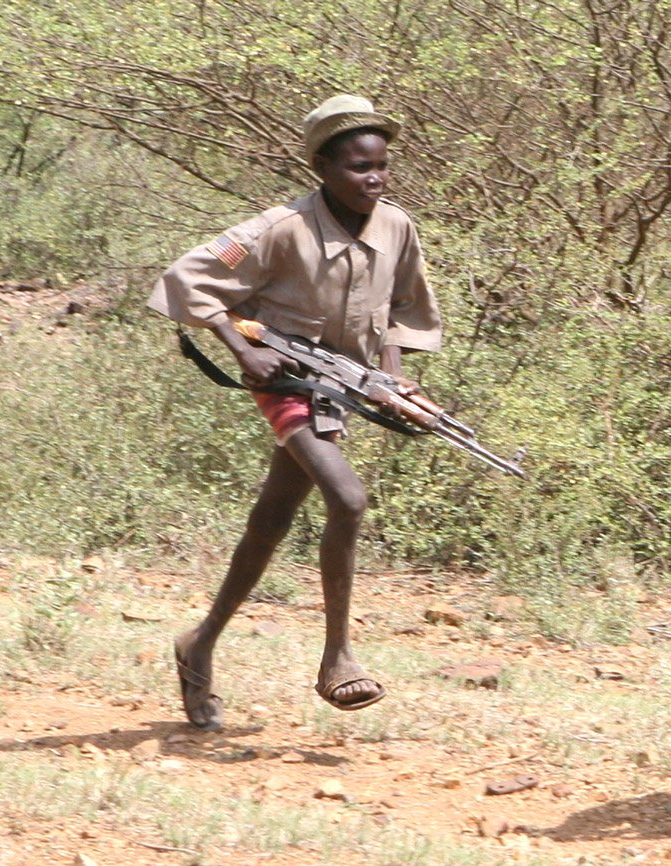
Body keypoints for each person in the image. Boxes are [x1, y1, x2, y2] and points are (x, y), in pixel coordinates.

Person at [149, 95, 442, 730]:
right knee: (348, 498)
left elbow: (397, 309)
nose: (375, 178)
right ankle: (338, 657)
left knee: (273, 517)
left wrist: (393, 381)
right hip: (283, 379)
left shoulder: (397, 227)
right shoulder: (277, 228)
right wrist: (239, 351)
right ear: (323, 169)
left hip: (343, 387)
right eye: (360, 167)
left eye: (383, 166)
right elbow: (187, 278)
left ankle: (198, 643)